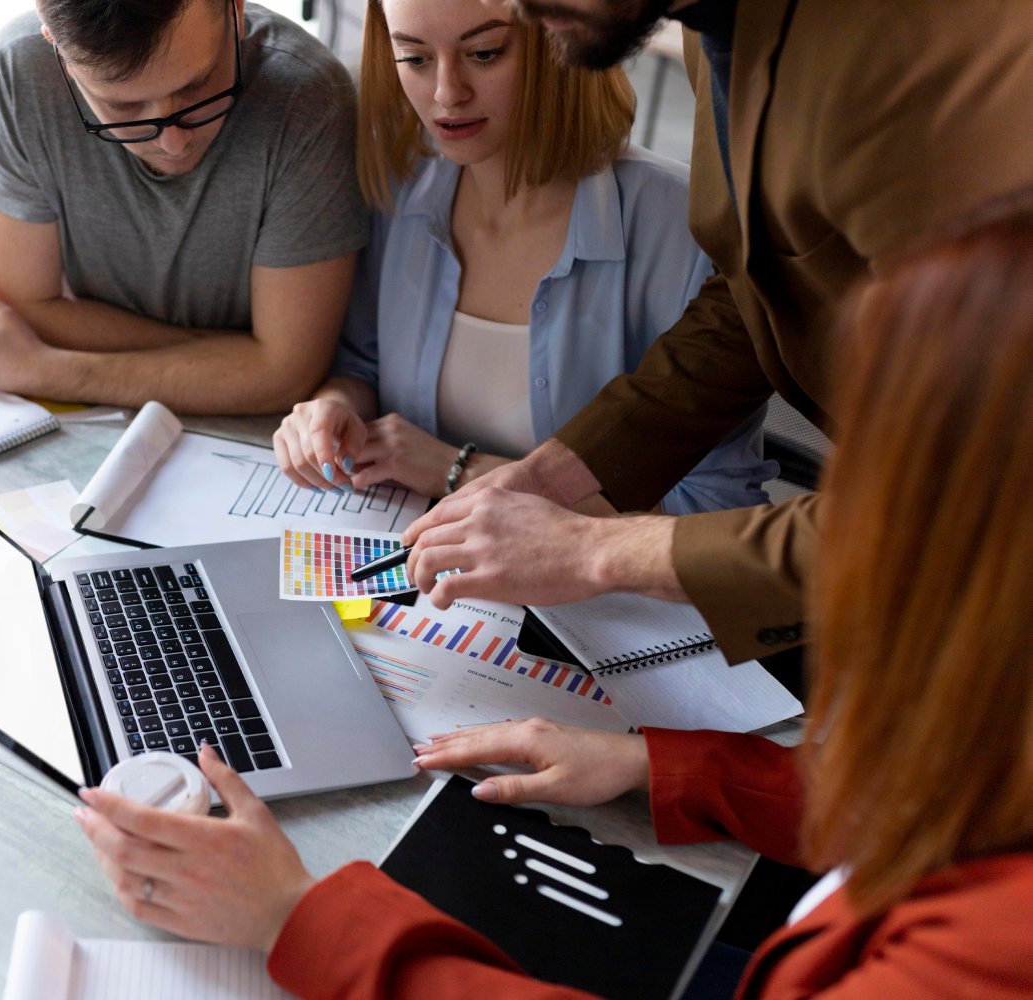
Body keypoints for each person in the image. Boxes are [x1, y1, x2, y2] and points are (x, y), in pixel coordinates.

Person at [72, 198, 1033, 997]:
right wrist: (661, 767)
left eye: (882, 495)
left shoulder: (987, 954)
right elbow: (955, 806)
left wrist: (298, 916)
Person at [399, 0, 1033, 663]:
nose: (509, 6)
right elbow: (757, 290)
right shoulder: (717, 21)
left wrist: (598, 551)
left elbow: (968, 498)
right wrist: (560, 473)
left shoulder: (926, 64)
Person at [271, 0, 771, 514]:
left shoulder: (685, 228)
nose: (446, 94)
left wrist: (457, 471)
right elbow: (364, 363)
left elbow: (715, 506)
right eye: (415, 59)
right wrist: (332, 409)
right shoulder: (399, 186)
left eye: (484, 54)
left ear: (559, 39)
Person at [0, 0, 369, 414]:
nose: (173, 142)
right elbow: (21, 307)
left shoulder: (307, 96)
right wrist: (237, 359)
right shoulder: (17, 71)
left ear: (234, 9)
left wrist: (42, 369)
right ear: (57, 50)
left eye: (198, 87)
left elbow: (286, 376)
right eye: (124, 107)